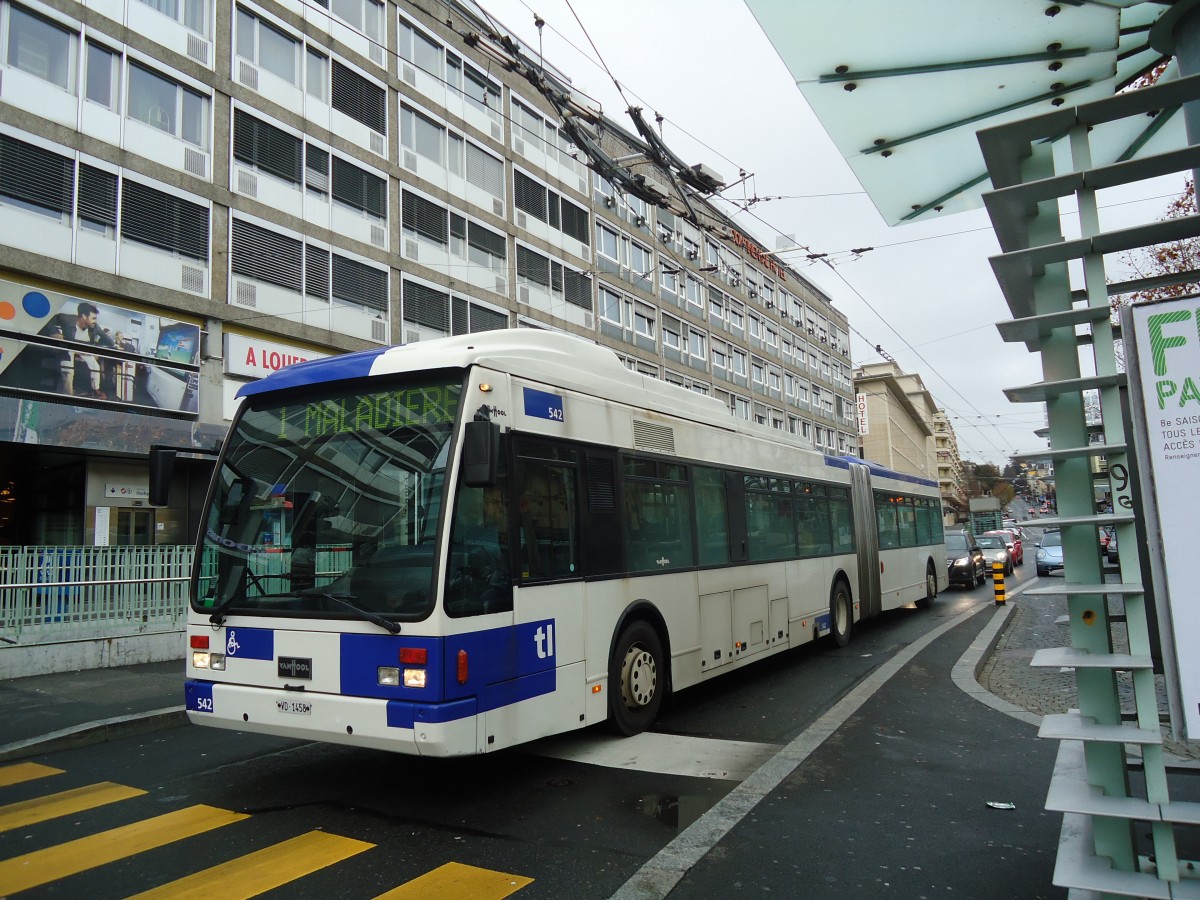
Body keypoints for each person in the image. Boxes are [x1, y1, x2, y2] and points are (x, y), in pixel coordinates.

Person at [448, 484, 511, 615]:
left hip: (503, 592)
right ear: (485, 505)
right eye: (494, 502)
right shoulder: (473, 534)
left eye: (501, 502)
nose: (499, 506)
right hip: (477, 588)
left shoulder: (511, 532)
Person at [39, 301, 115, 399]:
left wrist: (98, 347)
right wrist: (55, 331)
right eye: (93, 318)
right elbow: (47, 320)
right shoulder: (66, 319)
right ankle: (68, 395)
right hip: (69, 347)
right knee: (68, 371)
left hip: (84, 348)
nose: (95, 321)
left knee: (95, 367)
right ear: (83, 316)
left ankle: (96, 390)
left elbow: (107, 340)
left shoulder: (95, 327)